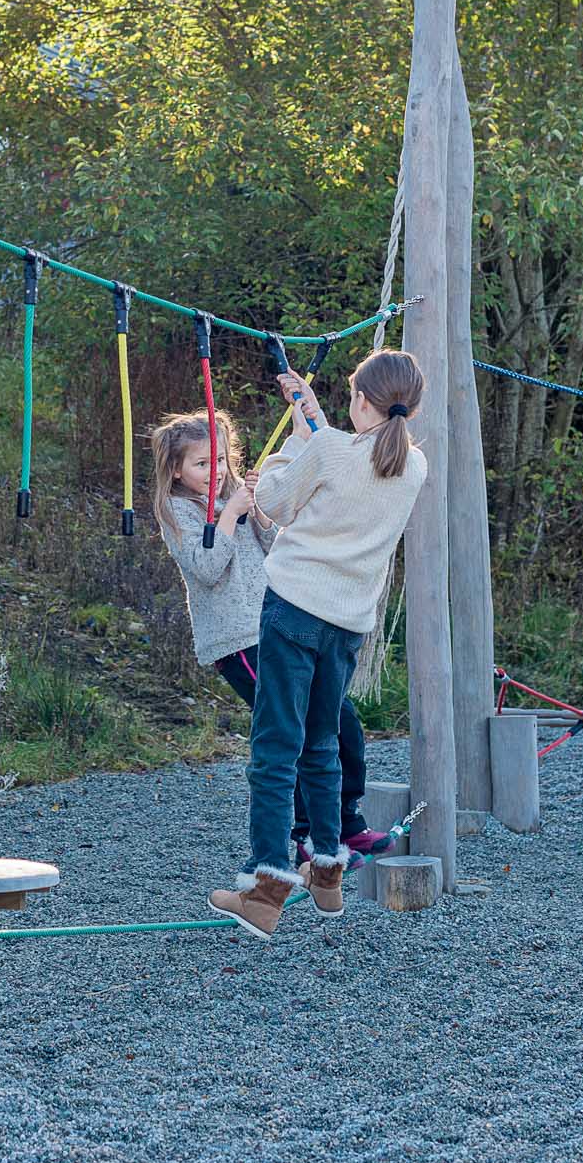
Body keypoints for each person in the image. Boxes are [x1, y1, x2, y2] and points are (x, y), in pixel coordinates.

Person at [208, 348, 428, 942]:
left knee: (275, 746)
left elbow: (275, 500)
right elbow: (348, 462)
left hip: (293, 610)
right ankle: (325, 870)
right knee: (322, 742)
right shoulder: (414, 468)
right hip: (347, 623)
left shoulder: (328, 451)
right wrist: (311, 415)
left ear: (359, 401)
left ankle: (267, 885)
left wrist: (294, 445)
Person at [150, 408, 391, 868]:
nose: (215, 472)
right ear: (176, 470)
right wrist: (229, 515)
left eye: (220, 461)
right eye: (202, 464)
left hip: (278, 623)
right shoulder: (177, 512)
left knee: (338, 719)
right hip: (238, 639)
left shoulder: (234, 498)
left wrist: (257, 510)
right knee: (289, 732)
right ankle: (304, 834)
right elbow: (206, 567)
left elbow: (275, 544)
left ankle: (346, 821)